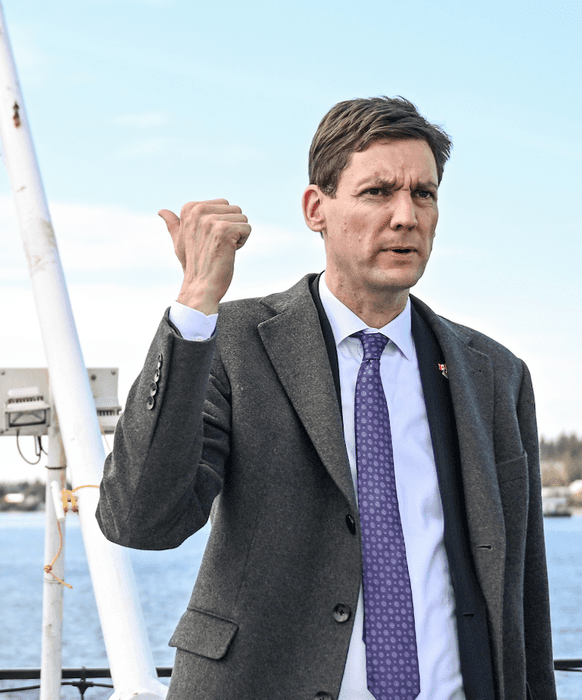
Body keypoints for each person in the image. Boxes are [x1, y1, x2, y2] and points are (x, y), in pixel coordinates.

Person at [95, 97, 555, 700]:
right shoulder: (232, 342)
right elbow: (141, 519)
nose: (405, 216)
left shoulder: (495, 374)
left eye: (424, 194)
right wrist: (195, 301)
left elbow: (523, 592)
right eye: (377, 192)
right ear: (317, 208)